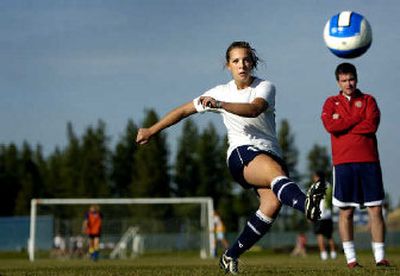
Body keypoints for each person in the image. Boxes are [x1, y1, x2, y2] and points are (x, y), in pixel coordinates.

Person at [136, 41, 325, 274]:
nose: (241, 65)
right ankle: (305, 203)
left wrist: (220, 105)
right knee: (275, 175)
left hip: (270, 152)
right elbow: (184, 110)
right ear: (228, 66)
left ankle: (230, 255)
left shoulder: (265, 87)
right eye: (235, 61)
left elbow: (254, 109)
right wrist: (151, 131)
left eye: (246, 59)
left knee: (271, 204)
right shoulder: (220, 92)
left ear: (253, 63)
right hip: (241, 152)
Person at [321, 62, 390, 268]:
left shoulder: (369, 100)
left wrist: (344, 123)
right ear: (338, 82)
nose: (348, 83)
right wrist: (356, 119)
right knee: (346, 212)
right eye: (344, 80)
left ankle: (380, 257)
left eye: (351, 79)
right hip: (343, 163)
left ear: (356, 78)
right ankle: (351, 259)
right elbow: (331, 126)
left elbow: (371, 126)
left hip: (369, 162)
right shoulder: (330, 102)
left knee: (375, 210)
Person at [312, 171, 337, 260]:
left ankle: (323, 254)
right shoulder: (329, 185)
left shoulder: (316, 186)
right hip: (328, 215)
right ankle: (333, 253)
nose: (313, 178)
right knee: (329, 235)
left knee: (319, 234)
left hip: (320, 214)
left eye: (315, 177)